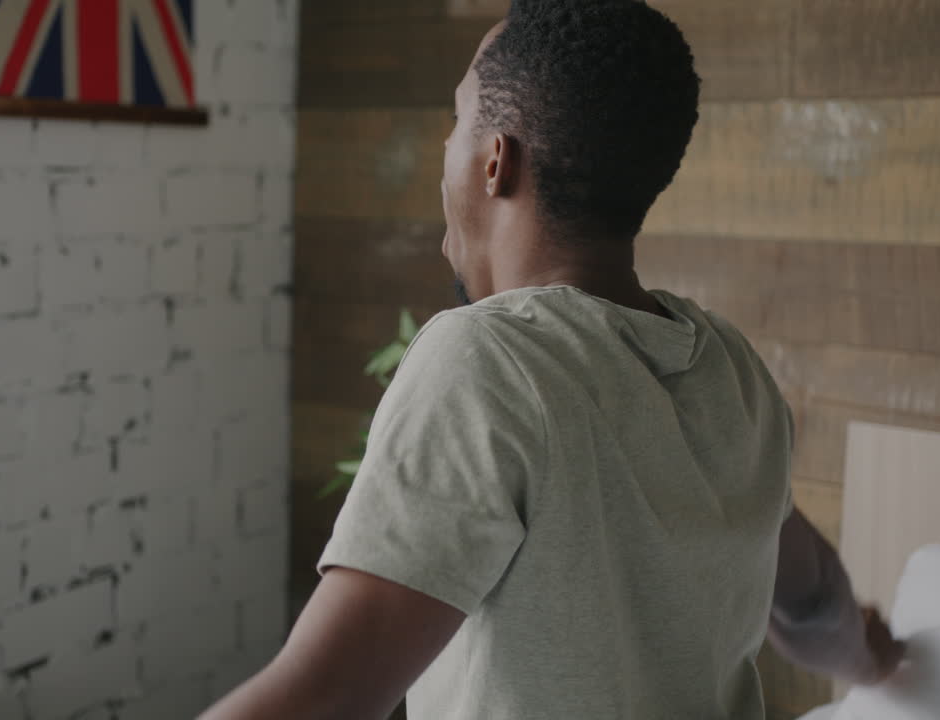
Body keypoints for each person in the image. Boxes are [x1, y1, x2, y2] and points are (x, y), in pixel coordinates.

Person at [201, 1, 904, 718]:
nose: (444, 148)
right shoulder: (733, 369)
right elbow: (815, 603)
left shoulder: (484, 362)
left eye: (456, 120)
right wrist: (883, 661)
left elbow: (328, 696)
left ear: (494, 161)